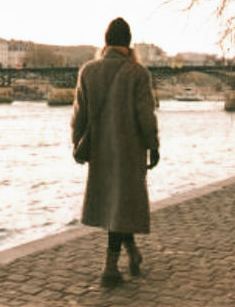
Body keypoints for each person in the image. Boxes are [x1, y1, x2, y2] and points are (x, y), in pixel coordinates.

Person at [71, 17, 160, 287]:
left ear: (106, 41)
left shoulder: (88, 70)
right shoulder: (137, 72)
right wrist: (153, 145)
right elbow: (146, 115)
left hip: (100, 149)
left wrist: (77, 145)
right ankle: (109, 267)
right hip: (129, 149)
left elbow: (79, 115)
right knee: (123, 203)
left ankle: (132, 253)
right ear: (128, 42)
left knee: (115, 204)